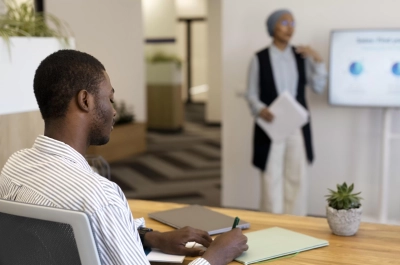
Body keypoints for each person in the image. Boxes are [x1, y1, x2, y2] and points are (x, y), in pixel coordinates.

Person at [0, 50, 248, 265]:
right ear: (85, 100)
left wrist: (151, 237)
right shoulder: (99, 196)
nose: (115, 110)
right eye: (109, 98)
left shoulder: (14, 167)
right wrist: (216, 254)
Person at [246, 9, 327, 216]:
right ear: (273, 27)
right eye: (284, 22)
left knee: (296, 174)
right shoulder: (259, 58)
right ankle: (271, 219)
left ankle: (296, 220)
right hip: (271, 125)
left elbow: (318, 87)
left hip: (297, 125)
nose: (290, 27)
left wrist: (317, 59)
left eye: (293, 23)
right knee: (271, 173)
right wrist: (260, 109)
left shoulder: (301, 57)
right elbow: (251, 93)